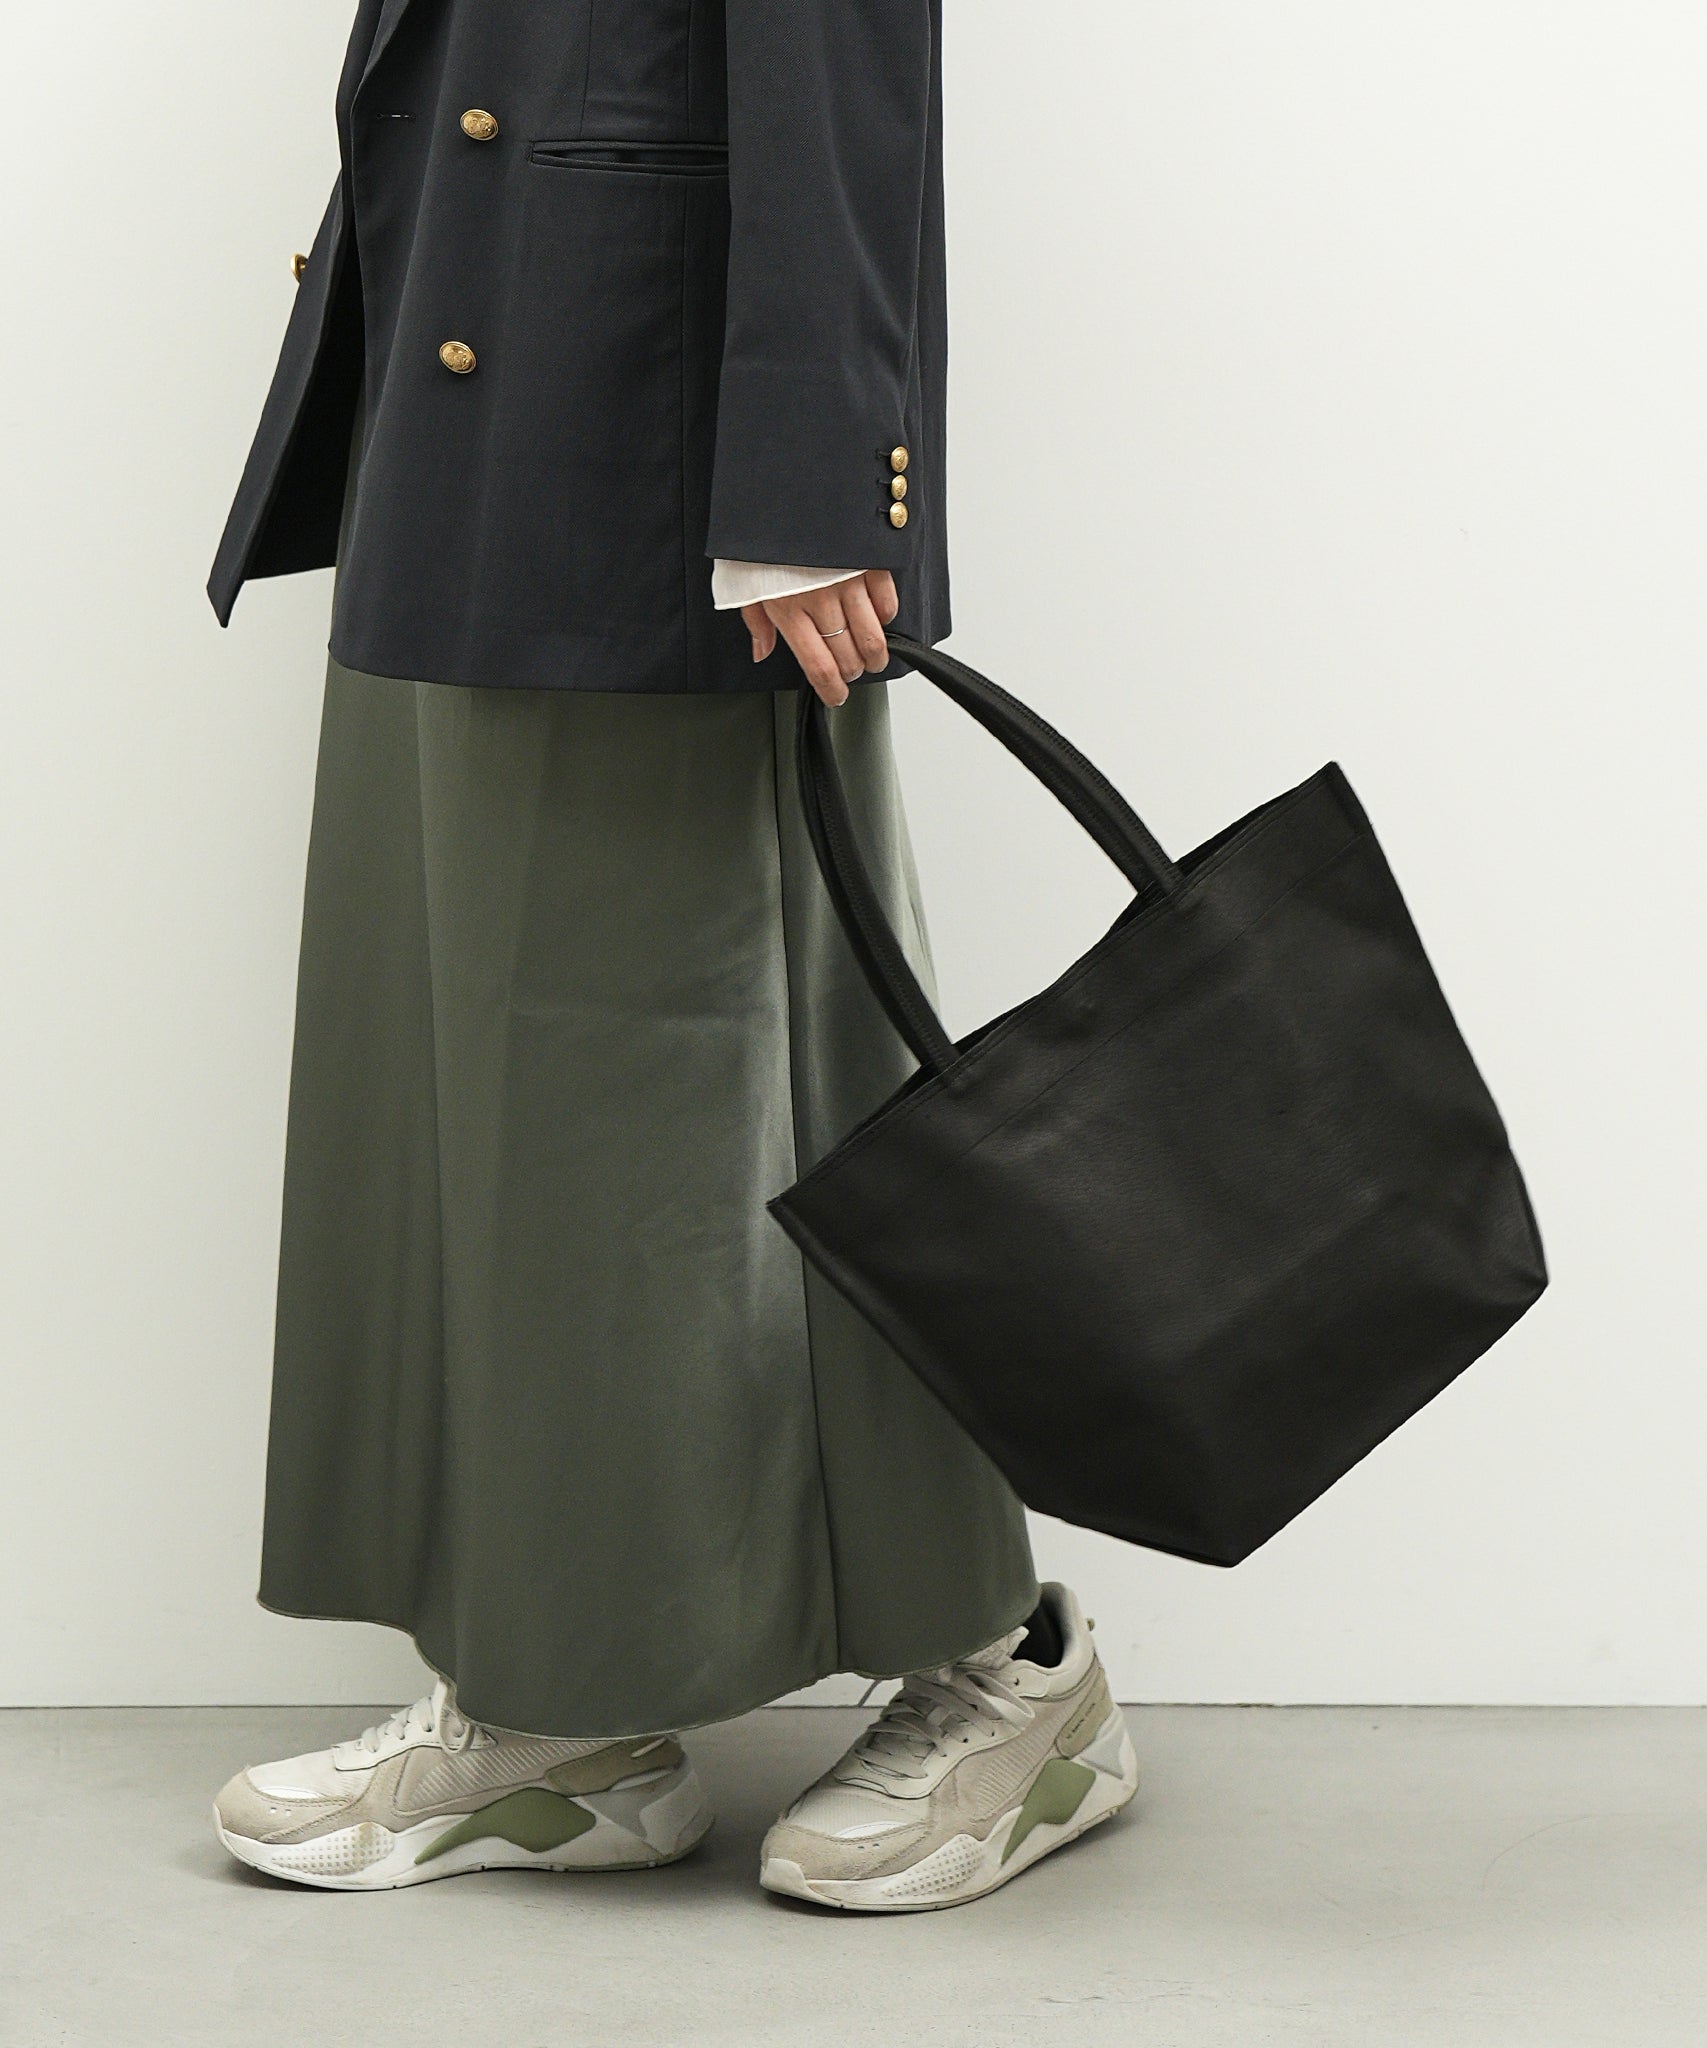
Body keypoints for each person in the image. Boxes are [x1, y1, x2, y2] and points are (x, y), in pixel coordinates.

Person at [205, 0, 1137, 1911]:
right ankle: (570, 1702)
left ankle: (1005, 1671)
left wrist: (813, 473)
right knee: (485, 1089)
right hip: (470, 403)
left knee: (718, 1101)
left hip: (653, 455)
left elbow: (841, 49)